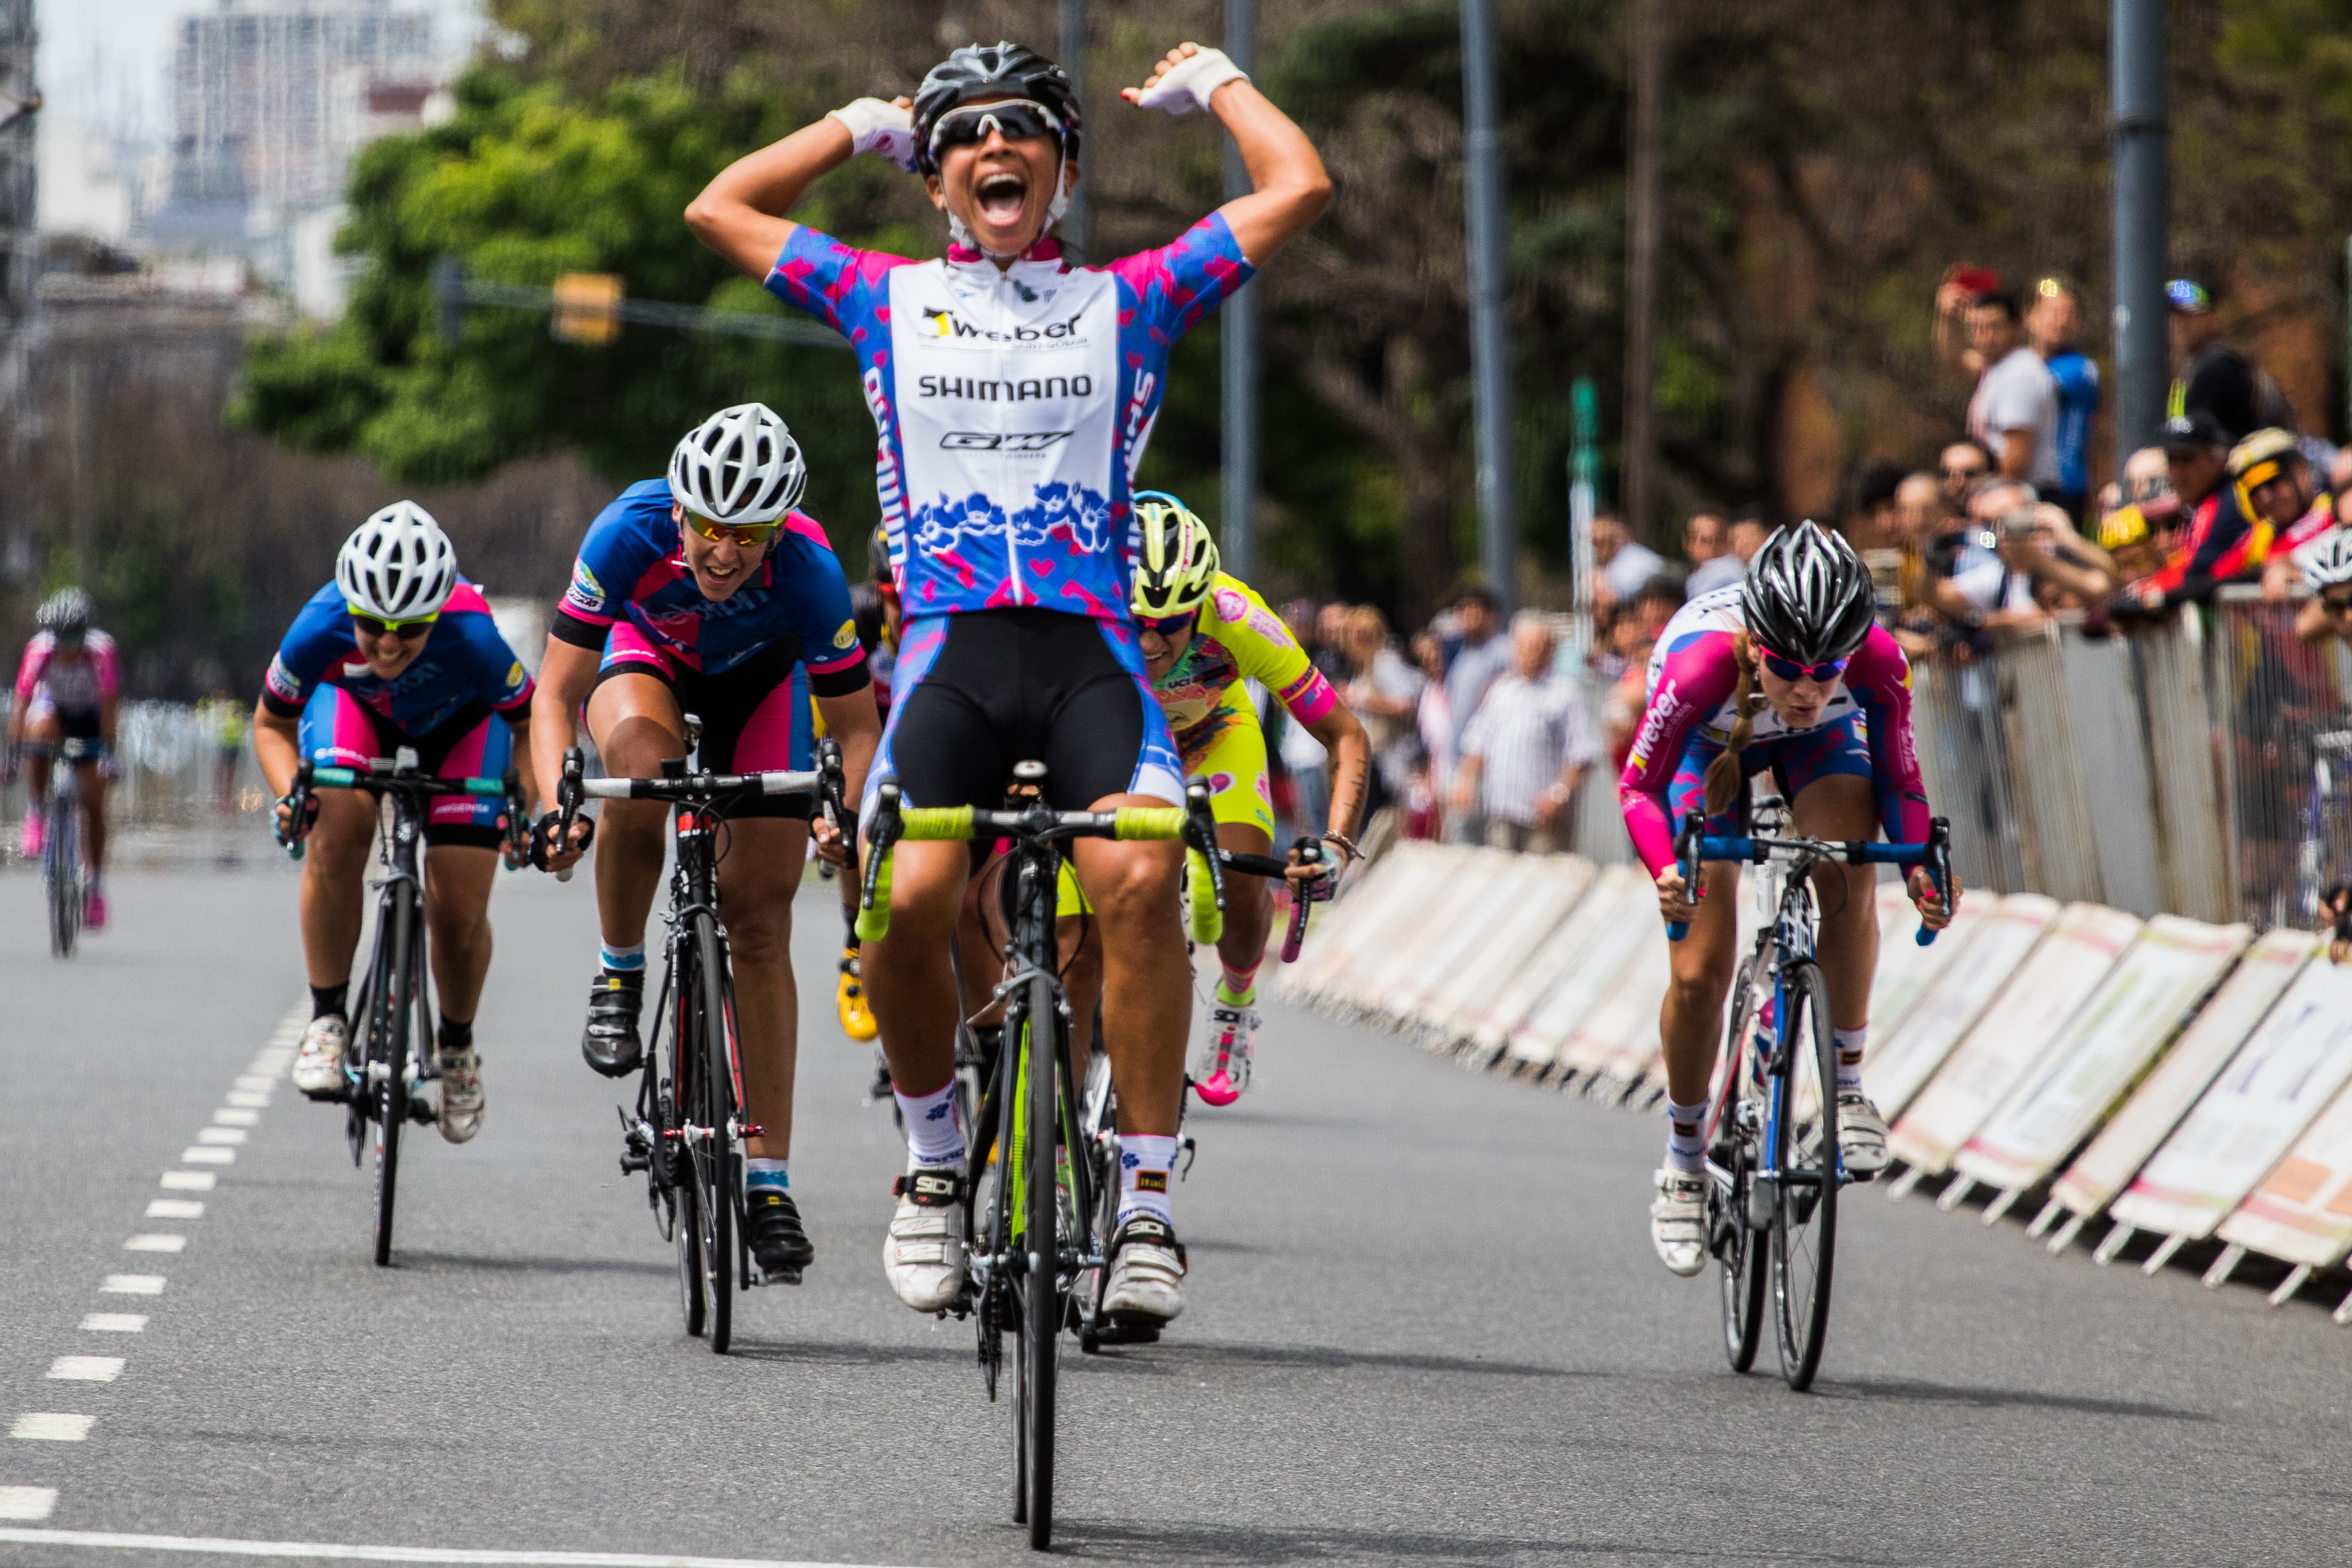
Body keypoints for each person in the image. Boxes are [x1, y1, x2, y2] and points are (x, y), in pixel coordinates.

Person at [684, 36, 1331, 1328]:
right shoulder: (883, 297)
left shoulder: (1131, 298)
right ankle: (932, 1162)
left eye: (1022, 129)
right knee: (910, 894)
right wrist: (857, 122)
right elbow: (722, 207)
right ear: (935, 179)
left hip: (1091, 648)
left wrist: (1218, 86)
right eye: (964, 134)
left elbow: (1298, 187)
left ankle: (1143, 1202)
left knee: (1143, 872)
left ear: (1065, 169)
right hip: (947, 647)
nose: (994, 147)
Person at [530, 406, 879, 1284]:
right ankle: (619, 968)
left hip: (762, 688)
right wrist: (555, 804)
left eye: (749, 534)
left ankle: (769, 1179)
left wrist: (846, 809)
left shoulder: (811, 569)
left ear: (778, 530)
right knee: (641, 765)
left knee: (760, 923)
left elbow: (856, 727)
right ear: (679, 512)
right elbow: (553, 694)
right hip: (648, 660)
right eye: (709, 527)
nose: (724, 552)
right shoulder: (627, 531)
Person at [1622, 524, 1953, 1275]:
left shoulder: (1875, 659)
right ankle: (1681, 1160)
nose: (1806, 688)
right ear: (1754, 644)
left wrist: (1923, 875)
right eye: (1787, 669)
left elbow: (1901, 781)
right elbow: (1638, 785)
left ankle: (1848, 1085)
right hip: (1711, 743)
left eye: (1825, 670)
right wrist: (1663, 869)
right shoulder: (1699, 662)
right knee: (1700, 968)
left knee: (1844, 869)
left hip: (1820, 750)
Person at [253, 505, 536, 1143]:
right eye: (371, 625)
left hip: (464, 729)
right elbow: (269, 724)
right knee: (336, 826)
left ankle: (456, 1048)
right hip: (356, 714)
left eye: (408, 629)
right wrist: (290, 795)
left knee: (459, 905)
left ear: (435, 613)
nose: (385, 643)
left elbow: (528, 728)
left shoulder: (473, 634)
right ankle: (328, 1020)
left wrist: (524, 803)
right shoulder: (319, 625)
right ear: (349, 607)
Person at [1122, 493, 1369, 1102]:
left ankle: (1235, 998)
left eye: (1171, 622)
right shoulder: (1084, 607)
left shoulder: (1239, 617)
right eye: (1137, 623)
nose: (1151, 643)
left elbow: (1345, 735)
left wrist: (1337, 842)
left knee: (1239, 883)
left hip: (1213, 733)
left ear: (1203, 601)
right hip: (1123, 737)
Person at [7, 588, 120, 927]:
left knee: (94, 805)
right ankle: (37, 809)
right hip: (53, 711)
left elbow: (109, 706)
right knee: (38, 731)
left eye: (74, 637)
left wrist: (108, 754)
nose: (67, 646)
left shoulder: (101, 650)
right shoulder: (39, 649)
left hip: (89, 718)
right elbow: (22, 702)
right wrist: (13, 754)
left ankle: (95, 885)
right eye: (61, 638)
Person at [1451, 614, 1598, 853]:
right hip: (1501, 811)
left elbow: (1582, 752)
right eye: (1523, 646)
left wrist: (1558, 794)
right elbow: (1476, 742)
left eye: (1536, 646)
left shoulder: (1565, 692)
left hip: (1543, 817)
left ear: (1550, 650)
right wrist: (1465, 781)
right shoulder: (1501, 690)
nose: (1528, 652)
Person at [2119, 411, 2261, 615]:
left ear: (2217, 459)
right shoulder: (2208, 504)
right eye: (2172, 460)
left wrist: (2148, 593)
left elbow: (2197, 573)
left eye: (2187, 459)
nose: (2177, 473)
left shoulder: (2228, 501)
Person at [1964, 291, 2062, 493]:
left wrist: (1983, 498)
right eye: (1976, 327)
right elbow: (1953, 361)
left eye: (1993, 326)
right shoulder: (1998, 369)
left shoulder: (2019, 373)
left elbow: (2016, 462)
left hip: (2023, 497)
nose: (1985, 336)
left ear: (2016, 326)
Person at [1442, 586, 1511, 842]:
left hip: (1486, 763)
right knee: (1461, 837)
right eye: (1463, 611)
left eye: (1475, 611)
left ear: (1491, 615)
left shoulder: (1502, 651)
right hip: (1459, 760)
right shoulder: (1462, 655)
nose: (1467, 617)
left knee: (1481, 840)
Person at [2027, 277, 2101, 518]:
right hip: (2027, 483)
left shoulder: (2080, 369)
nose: (2061, 321)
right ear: (2031, 317)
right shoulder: (2022, 367)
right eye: (2053, 312)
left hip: (2065, 487)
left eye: (2069, 314)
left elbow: (2034, 390)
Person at [2167, 279, 2272, 447]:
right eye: (2173, 312)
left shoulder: (2216, 368)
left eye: (2188, 312)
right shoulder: (2196, 363)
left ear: (2213, 315)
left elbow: (2197, 444)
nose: (2178, 321)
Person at [1591, 511, 1667, 610]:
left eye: (1600, 542)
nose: (1595, 549)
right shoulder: (1612, 565)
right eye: (1593, 542)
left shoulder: (1629, 563)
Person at [1684, 512, 1745, 597]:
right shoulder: (1688, 581)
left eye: (1719, 540)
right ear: (1687, 543)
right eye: (1704, 540)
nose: (1712, 548)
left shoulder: (1731, 577)